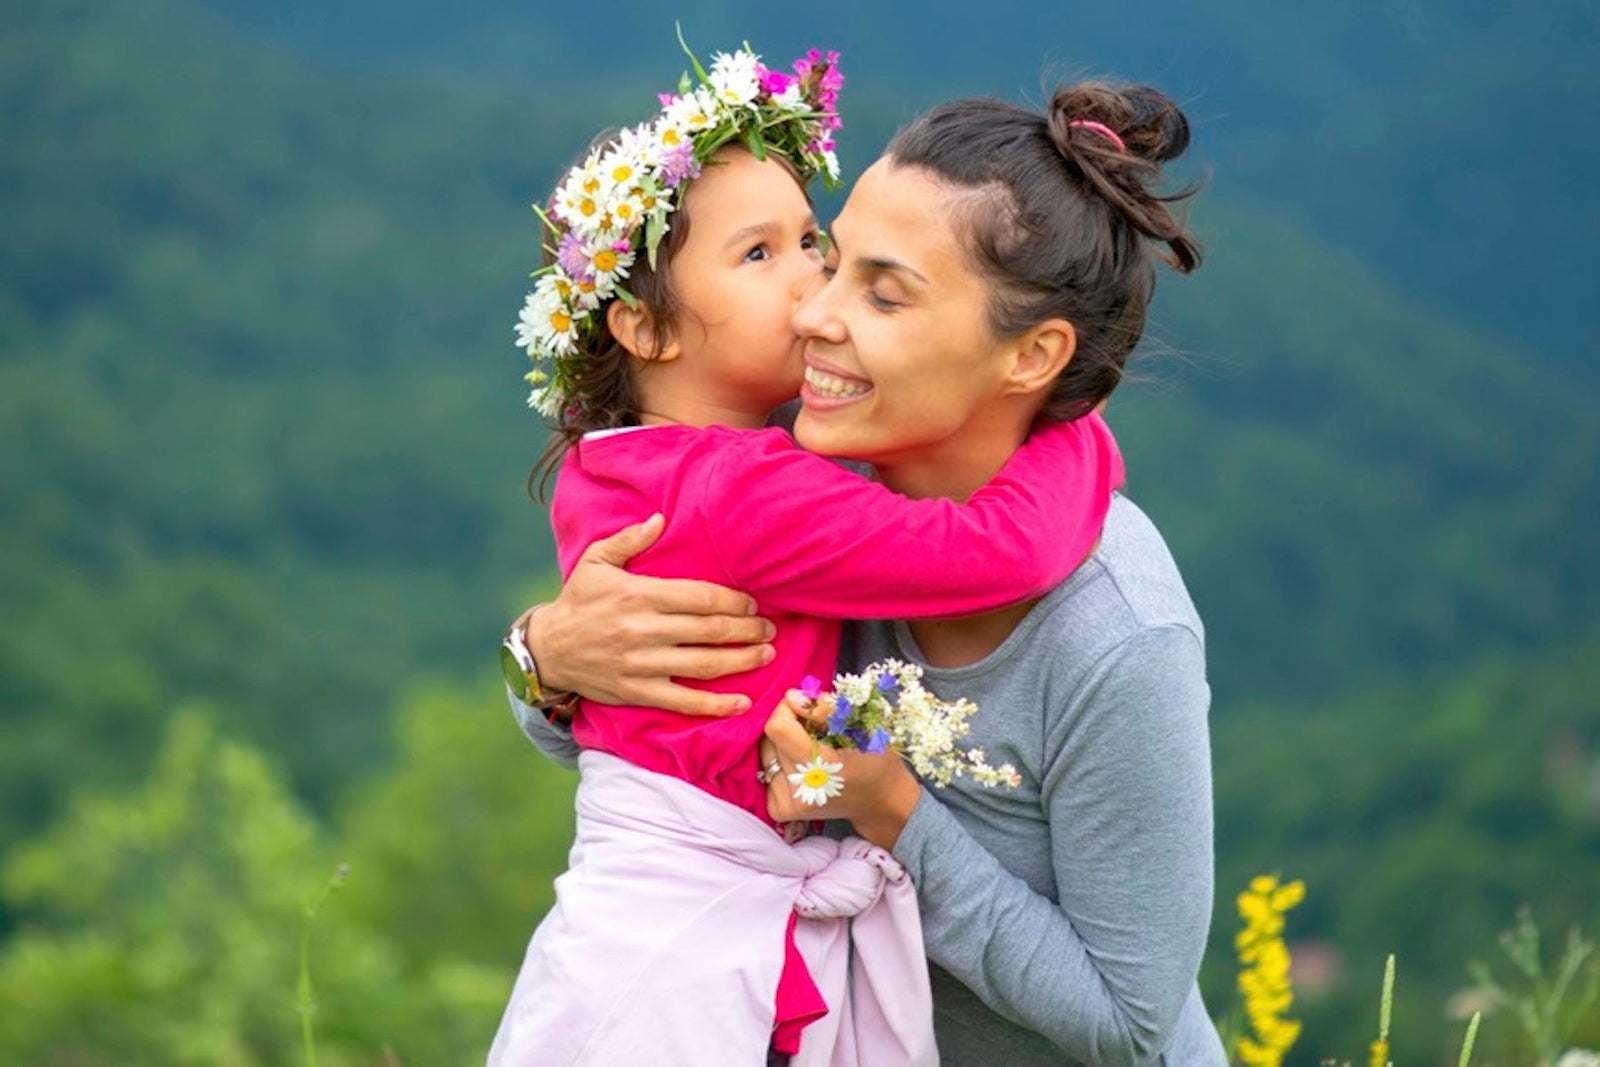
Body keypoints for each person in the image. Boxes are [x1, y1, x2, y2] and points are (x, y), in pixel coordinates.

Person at [511, 80, 1229, 1066]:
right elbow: (655, 743)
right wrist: (545, 657)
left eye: (881, 293)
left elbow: (1131, 1021)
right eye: (832, 259)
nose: (813, 310)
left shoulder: (1117, 636)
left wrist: (894, 814)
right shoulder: (800, 479)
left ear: (1034, 355)